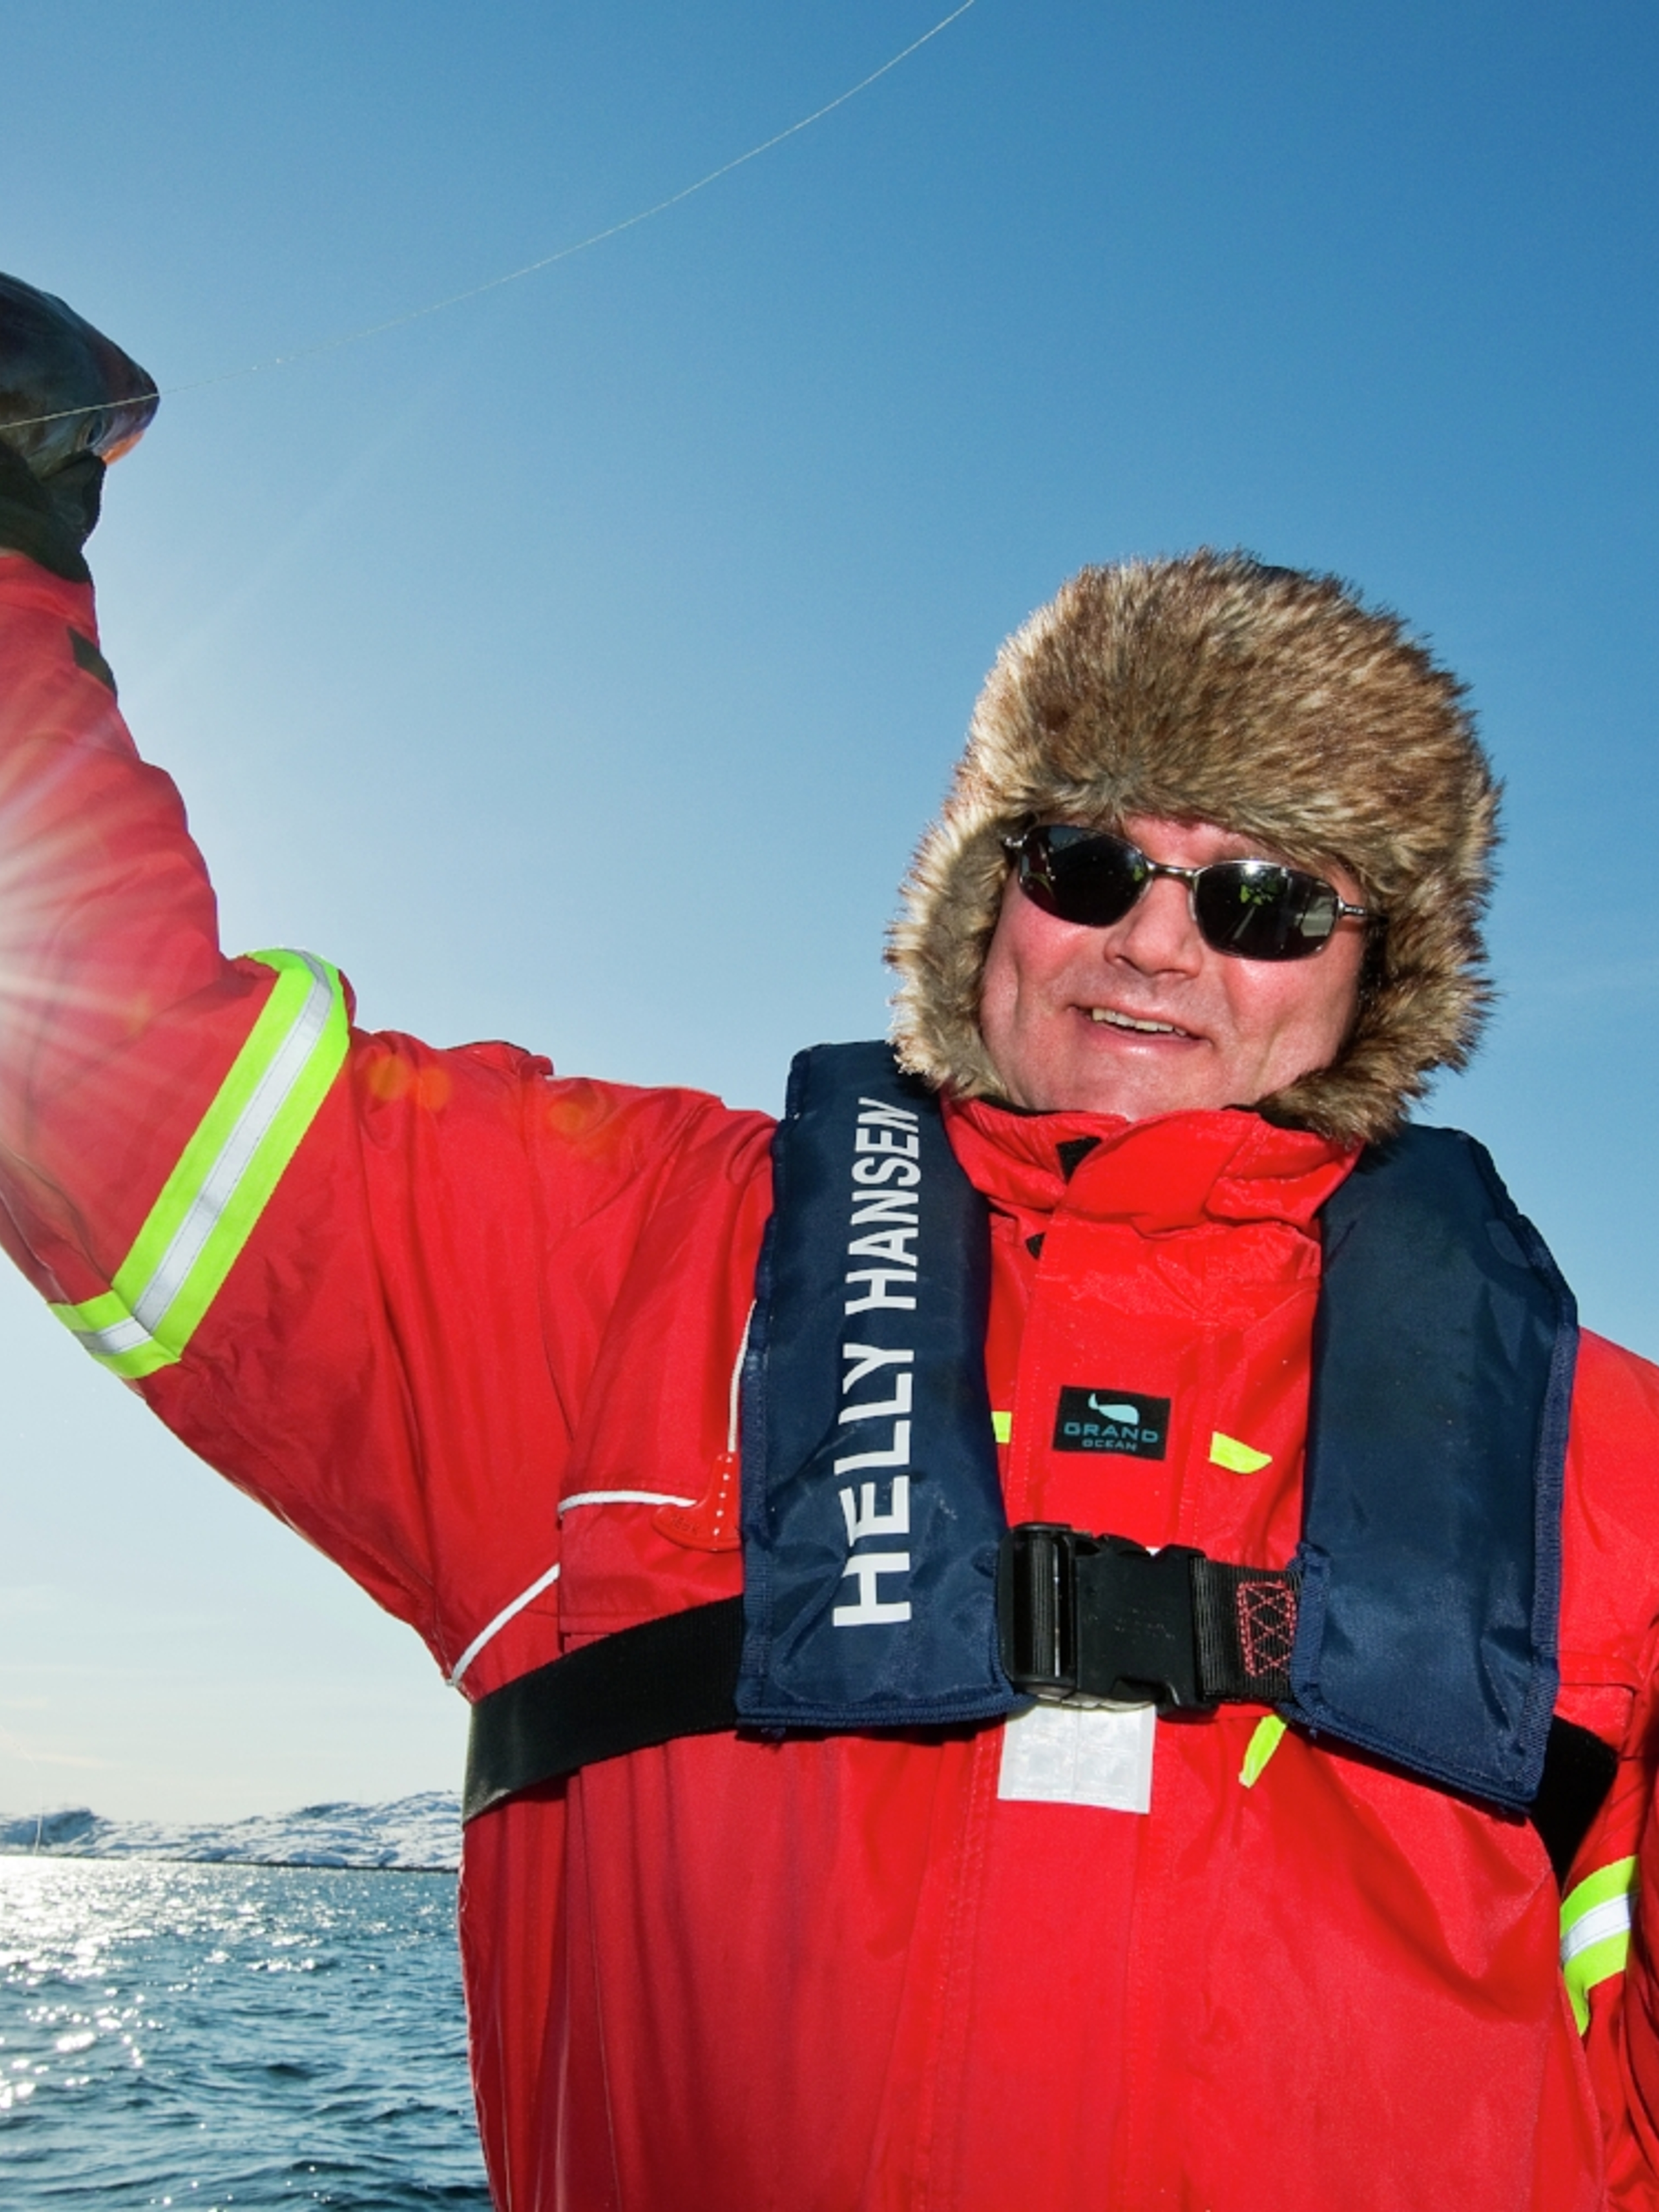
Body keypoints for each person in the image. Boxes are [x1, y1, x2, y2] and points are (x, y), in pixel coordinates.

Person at [3, 273, 1659, 2212]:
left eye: (1272, 899)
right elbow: (93, 1065)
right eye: (1092, 863)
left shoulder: (1606, 1458)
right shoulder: (610, 1259)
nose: (1157, 942)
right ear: (987, 896)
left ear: (1378, 975)